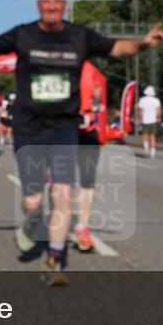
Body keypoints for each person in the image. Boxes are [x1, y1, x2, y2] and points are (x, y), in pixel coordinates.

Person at [0, 0, 163, 286]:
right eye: (47, 1)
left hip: (63, 128)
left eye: (57, 1)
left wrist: (144, 44)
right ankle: (32, 221)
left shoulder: (80, 36)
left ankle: (54, 259)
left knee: (62, 193)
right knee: (32, 201)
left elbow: (116, 48)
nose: (52, 6)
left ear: (64, 6)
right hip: (29, 127)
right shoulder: (23, 34)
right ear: (38, 5)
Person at [74, 83, 104, 253]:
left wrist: (97, 98)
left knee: (88, 181)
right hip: (63, 133)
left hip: (88, 134)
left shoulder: (91, 75)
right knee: (60, 183)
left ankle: (82, 226)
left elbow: (97, 105)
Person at [137, 85, 162, 158]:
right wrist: (159, 118)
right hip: (153, 120)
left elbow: (140, 111)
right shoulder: (156, 100)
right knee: (152, 136)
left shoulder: (142, 100)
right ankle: (152, 153)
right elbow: (159, 110)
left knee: (145, 136)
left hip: (145, 121)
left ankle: (146, 149)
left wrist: (139, 120)